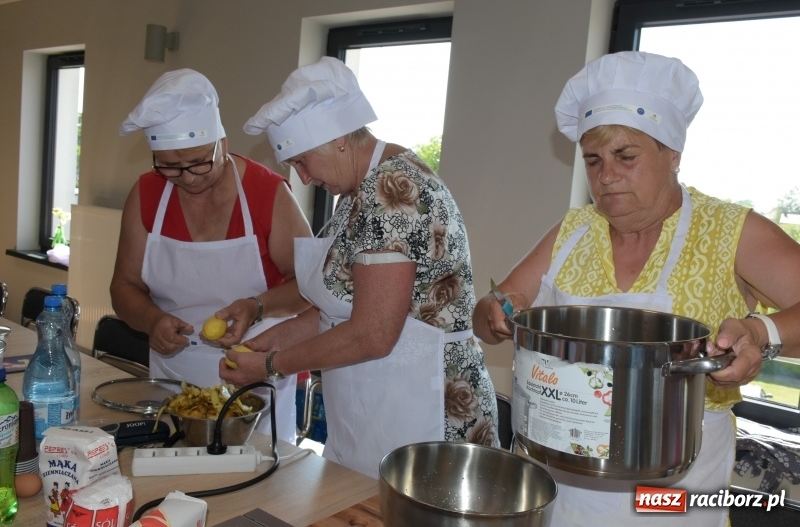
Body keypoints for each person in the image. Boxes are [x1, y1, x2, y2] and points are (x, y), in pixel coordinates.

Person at [474, 50, 800, 526]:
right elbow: (490, 313)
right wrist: (496, 310)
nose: (606, 176)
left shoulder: (730, 231)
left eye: (626, 157)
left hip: (673, 477)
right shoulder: (573, 231)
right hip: (560, 464)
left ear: (673, 155)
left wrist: (762, 333)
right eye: (593, 160)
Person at [221, 56, 500, 479]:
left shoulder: (390, 192)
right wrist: (270, 341)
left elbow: (372, 332)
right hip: (384, 406)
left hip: (429, 411)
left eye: (301, 161)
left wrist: (272, 366)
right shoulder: (359, 193)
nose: (304, 178)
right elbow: (339, 310)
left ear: (337, 140)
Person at [112, 69, 312, 444]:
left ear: (222, 142)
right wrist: (152, 320)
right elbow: (123, 286)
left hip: (253, 378)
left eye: (198, 162)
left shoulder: (267, 194)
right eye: (170, 166)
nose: (187, 177)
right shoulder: (147, 195)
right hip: (173, 378)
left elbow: (310, 287)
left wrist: (256, 307)